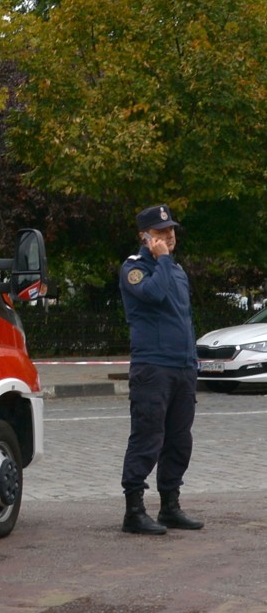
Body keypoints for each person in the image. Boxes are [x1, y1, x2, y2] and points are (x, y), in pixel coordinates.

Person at [118, 203, 203, 535]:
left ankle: (170, 505)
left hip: (182, 367)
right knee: (147, 437)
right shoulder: (134, 269)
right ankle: (134, 510)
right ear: (145, 237)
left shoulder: (176, 271)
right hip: (153, 367)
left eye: (171, 231)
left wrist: (191, 361)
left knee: (179, 439)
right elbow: (152, 296)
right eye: (161, 232)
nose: (169, 236)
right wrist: (163, 260)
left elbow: (182, 317)